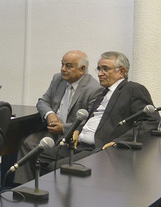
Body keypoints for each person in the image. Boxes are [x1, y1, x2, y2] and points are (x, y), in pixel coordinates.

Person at [13, 50, 103, 184]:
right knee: (28, 143)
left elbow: (89, 121)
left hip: (72, 136)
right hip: (52, 130)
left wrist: (63, 128)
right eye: (62, 64)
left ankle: (44, 185)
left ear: (82, 69)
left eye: (68, 66)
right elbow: (42, 102)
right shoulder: (58, 79)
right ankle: (23, 186)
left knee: (45, 155)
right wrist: (50, 114)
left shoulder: (94, 89)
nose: (63, 69)